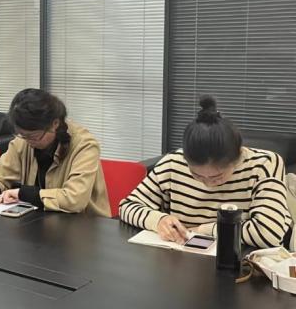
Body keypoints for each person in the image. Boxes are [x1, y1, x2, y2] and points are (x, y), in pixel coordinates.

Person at [120, 96, 291, 248]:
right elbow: (127, 206)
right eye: (197, 175)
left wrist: (204, 230)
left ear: (238, 157)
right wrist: (158, 220)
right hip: (185, 257)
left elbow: (269, 234)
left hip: (242, 260)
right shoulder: (173, 163)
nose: (208, 184)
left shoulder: (264, 164)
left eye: (217, 177)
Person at [0, 88, 111, 216]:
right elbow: (1, 175)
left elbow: (75, 199)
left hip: (83, 225)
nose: (28, 141)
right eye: (22, 135)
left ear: (55, 124)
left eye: (33, 136)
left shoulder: (85, 145)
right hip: (39, 220)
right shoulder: (24, 139)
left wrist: (23, 194)